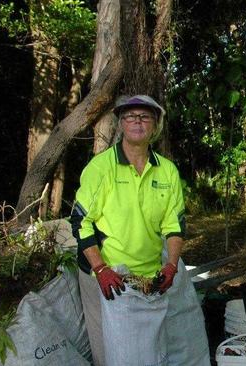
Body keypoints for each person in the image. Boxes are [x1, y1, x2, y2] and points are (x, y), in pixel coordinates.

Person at [70, 95, 186, 366]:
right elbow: (81, 221)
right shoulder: (101, 167)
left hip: (147, 274)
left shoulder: (166, 171)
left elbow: (175, 224)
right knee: (111, 351)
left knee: (148, 348)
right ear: (120, 123)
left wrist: (171, 264)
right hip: (105, 273)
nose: (137, 121)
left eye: (144, 116)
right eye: (130, 116)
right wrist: (101, 269)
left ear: (155, 125)